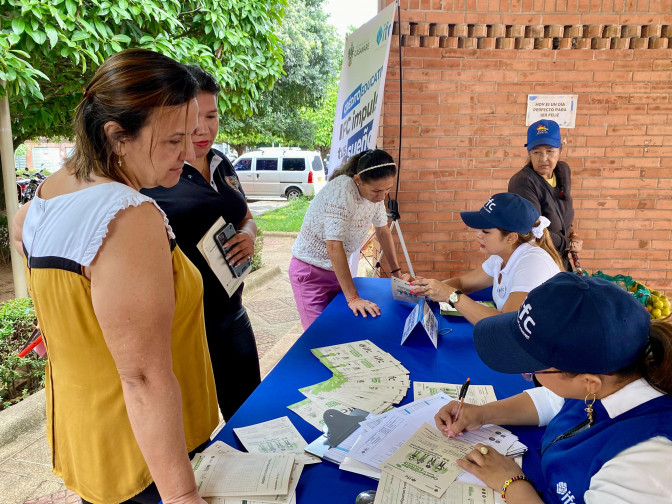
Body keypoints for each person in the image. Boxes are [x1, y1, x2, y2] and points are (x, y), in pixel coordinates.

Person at [12, 49, 218, 504]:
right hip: (149, 459)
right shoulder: (127, 214)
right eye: (172, 141)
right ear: (117, 136)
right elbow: (143, 378)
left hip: (91, 439)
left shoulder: (50, 192)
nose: (186, 155)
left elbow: (23, 234)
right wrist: (182, 495)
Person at [435, 273, 672, 504]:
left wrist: (511, 484)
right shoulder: (610, 375)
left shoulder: (646, 465)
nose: (526, 375)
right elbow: (553, 399)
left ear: (589, 382)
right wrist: (482, 413)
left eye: (533, 370)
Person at [142, 66, 260, 422]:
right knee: (195, 428)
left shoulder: (221, 161)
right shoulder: (154, 175)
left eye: (212, 116)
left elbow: (244, 215)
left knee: (250, 414)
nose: (203, 129)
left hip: (232, 314)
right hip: (184, 328)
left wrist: (249, 236)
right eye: (193, 119)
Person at [290, 149, 404, 330]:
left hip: (337, 272)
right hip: (311, 273)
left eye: (387, 190)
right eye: (376, 191)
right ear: (358, 180)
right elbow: (334, 246)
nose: (382, 197)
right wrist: (353, 298)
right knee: (319, 335)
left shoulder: (376, 197)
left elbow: (383, 231)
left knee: (341, 330)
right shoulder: (343, 189)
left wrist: (397, 275)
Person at [409, 193, 563, 325]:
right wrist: (427, 288)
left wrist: (451, 296)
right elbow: (463, 283)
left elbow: (506, 325)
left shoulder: (532, 264)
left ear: (511, 237)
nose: (478, 235)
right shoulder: (501, 255)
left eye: (485, 231)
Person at [508, 119, 582, 271]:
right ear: (529, 153)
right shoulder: (523, 182)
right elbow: (533, 231)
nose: (543, 158)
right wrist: (567, 244)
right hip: (536, 262)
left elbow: (562, 211)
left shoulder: (562, 171)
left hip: (558, 259)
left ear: (560, 150)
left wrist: (571, 233)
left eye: (550, 151)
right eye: (536, 152)